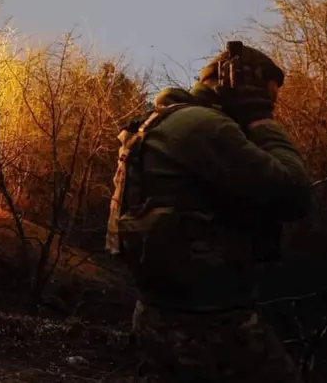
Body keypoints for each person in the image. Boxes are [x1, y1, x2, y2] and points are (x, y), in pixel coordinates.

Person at [107, 42, 311, 382]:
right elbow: (294, 193)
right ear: (235, 83)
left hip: (159, 313)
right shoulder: (203, 126)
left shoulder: (161, 121)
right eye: (267, 97)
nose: (271, 106)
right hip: (210, 325)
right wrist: (262, 121)